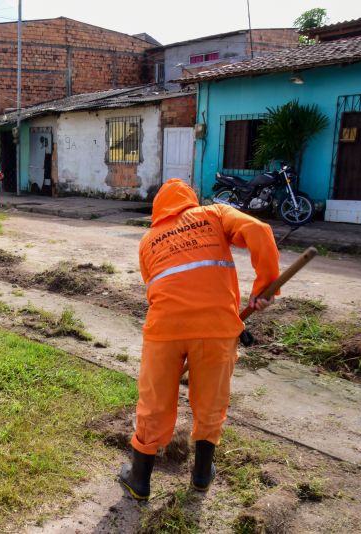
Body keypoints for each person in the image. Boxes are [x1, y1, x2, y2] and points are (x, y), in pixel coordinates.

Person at [119, 179, 280, 501]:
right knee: (211, 402)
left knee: (153, 404)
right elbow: (259, 230)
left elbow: (154, 287)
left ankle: (139, 480)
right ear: (190, 200)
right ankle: (202, 475)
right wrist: (266, 285)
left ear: (158, 209)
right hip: (216, 328)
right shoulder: (214, 214)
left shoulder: (148, 239)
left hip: (165, 329)